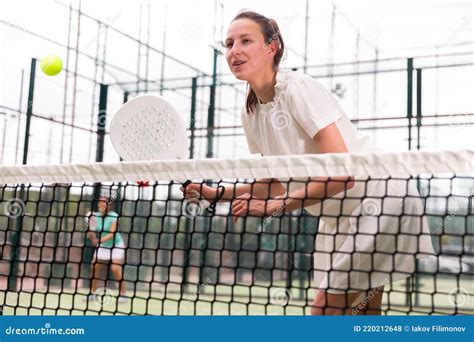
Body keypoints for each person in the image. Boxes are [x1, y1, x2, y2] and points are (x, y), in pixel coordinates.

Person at [182, 10, 434, 315]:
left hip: (379, 198)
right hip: (338, 216)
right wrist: (216, 195)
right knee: (363, 314)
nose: (234, 50)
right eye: (229, 43)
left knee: (324, 313)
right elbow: (276, 179)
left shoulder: (298, 88)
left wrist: (278, 205)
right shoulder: (250, 111)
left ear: (271, 47)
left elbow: (344, 174)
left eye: (246, 41)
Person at [86, 196, 128, 304]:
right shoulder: (95, 217)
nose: (102, 204)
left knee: (115, 269)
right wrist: (91, 234)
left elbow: (112, 233)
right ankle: (93, 294)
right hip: (103, 246)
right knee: (94, 267)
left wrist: (98, 241)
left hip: (116, 245)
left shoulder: (114, 216)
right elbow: (91, 233)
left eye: (104, 202)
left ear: (109, 205)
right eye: (100, 202)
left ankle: (123, 295)